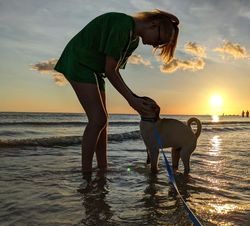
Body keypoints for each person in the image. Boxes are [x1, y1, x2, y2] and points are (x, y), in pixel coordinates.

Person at [54, 10, 180, 174]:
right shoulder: (123, 25)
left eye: (159, 44)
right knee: (98, 119)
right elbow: (111, 70)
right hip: (79, 60)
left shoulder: (133, 41)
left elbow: (111, 71)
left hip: (94, 70)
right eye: (158, 40)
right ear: (153, 24)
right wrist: (131, 100)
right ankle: (86, 173)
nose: (155, 46)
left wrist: (134, 98)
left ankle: (102, 168)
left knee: (102, 121)